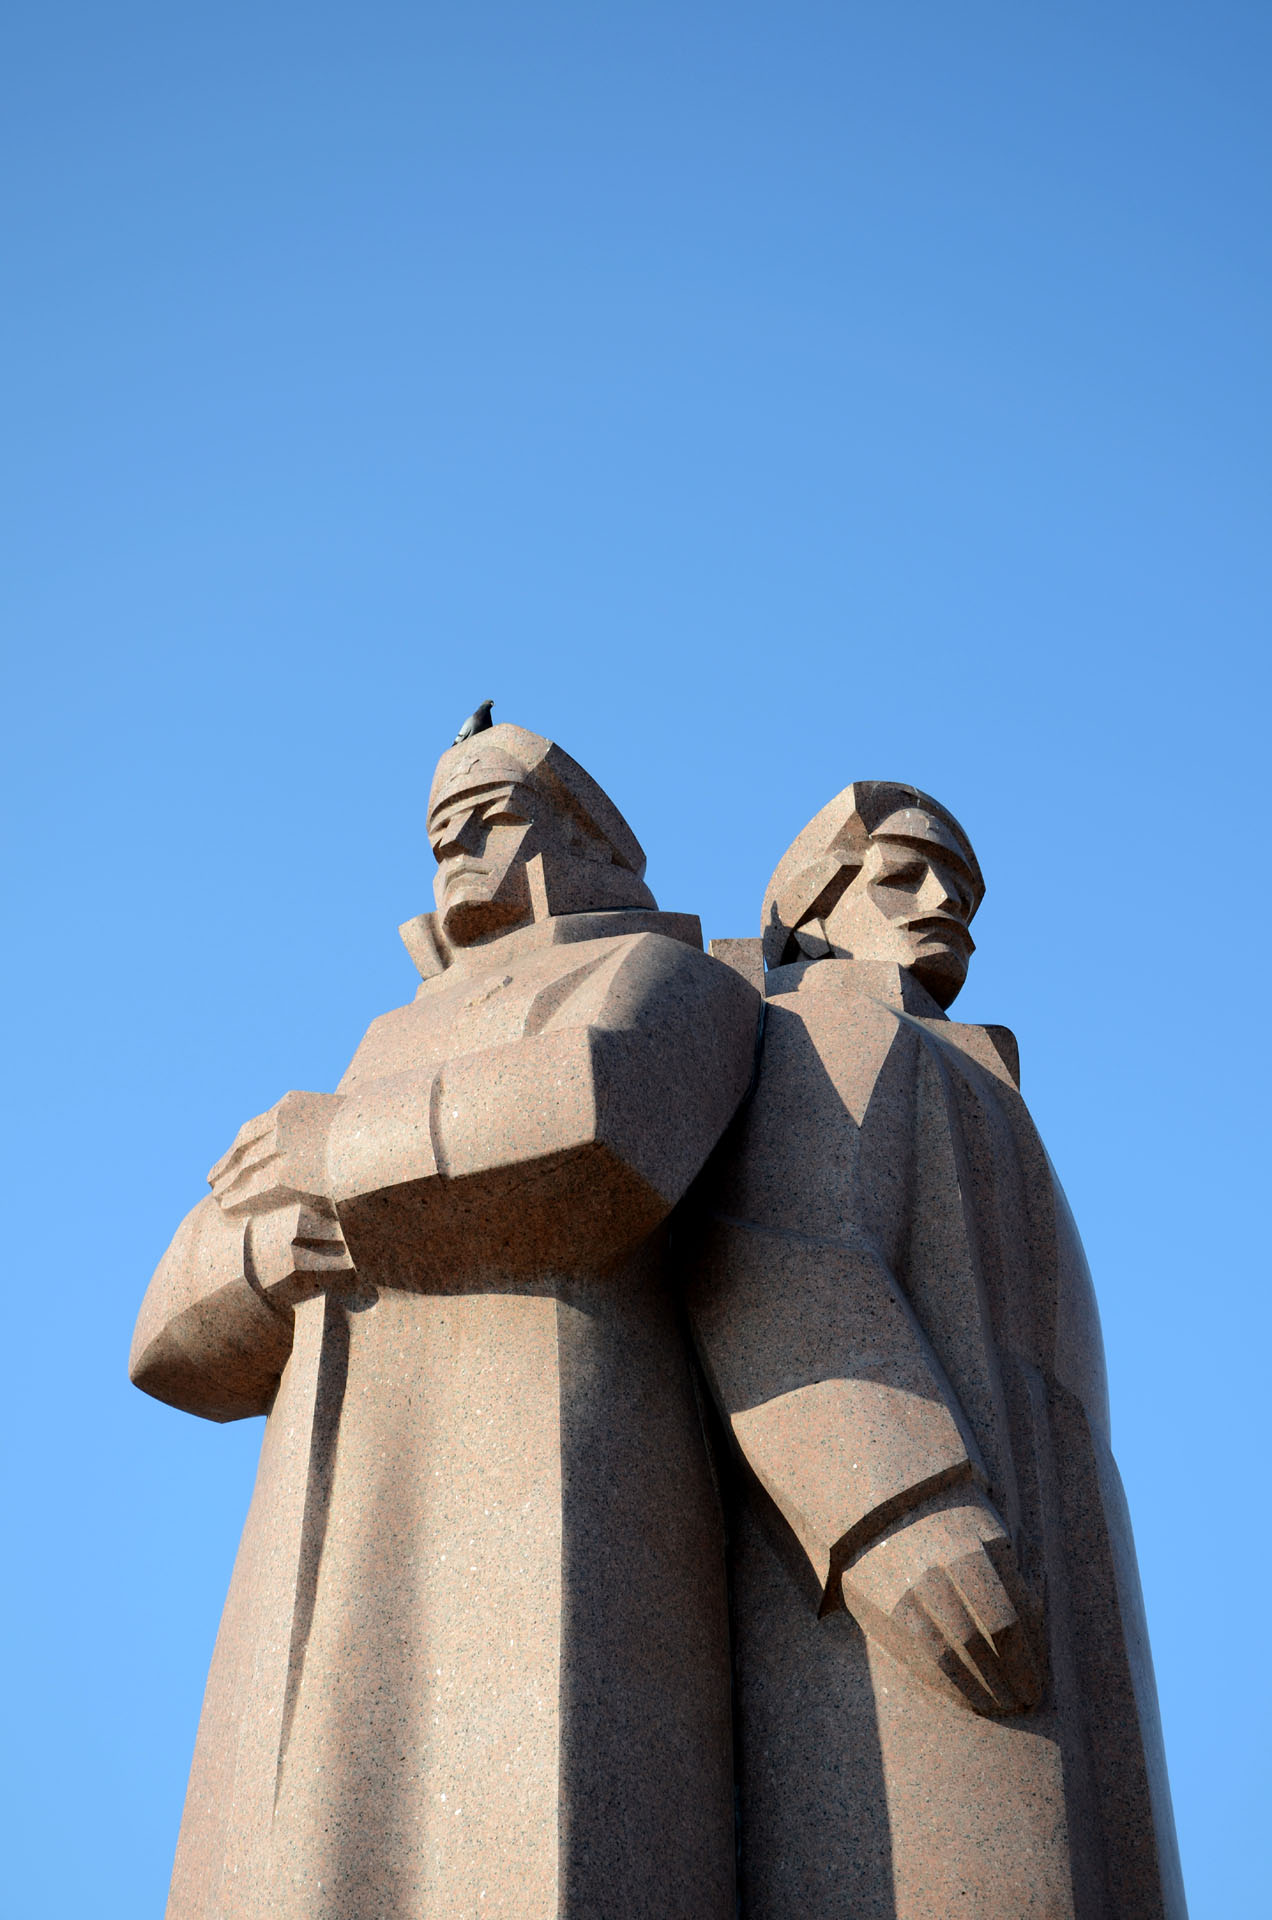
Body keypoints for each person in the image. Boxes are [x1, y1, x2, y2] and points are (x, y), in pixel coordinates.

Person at [131, 723, 759, 1920]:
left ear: (583, 839)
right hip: (335, 1493)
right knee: (311, 1848)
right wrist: (272, 1248)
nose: (461, 845)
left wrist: (335, 1151)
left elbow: (603, 1123)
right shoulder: (379, 1042)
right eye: (440, 832)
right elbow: (163, 1336)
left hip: (557, 1456)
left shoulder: (664, 977)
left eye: (494, 814)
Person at [684, 781, 1187, 1920]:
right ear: (817, 900)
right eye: (902, 872)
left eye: (961, 884)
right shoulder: (829, 1016)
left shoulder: (960, 1058)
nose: (944, 900)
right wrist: (906, 1511)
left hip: (1054, 1552)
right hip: (916, 1577)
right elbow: (778, 1248)